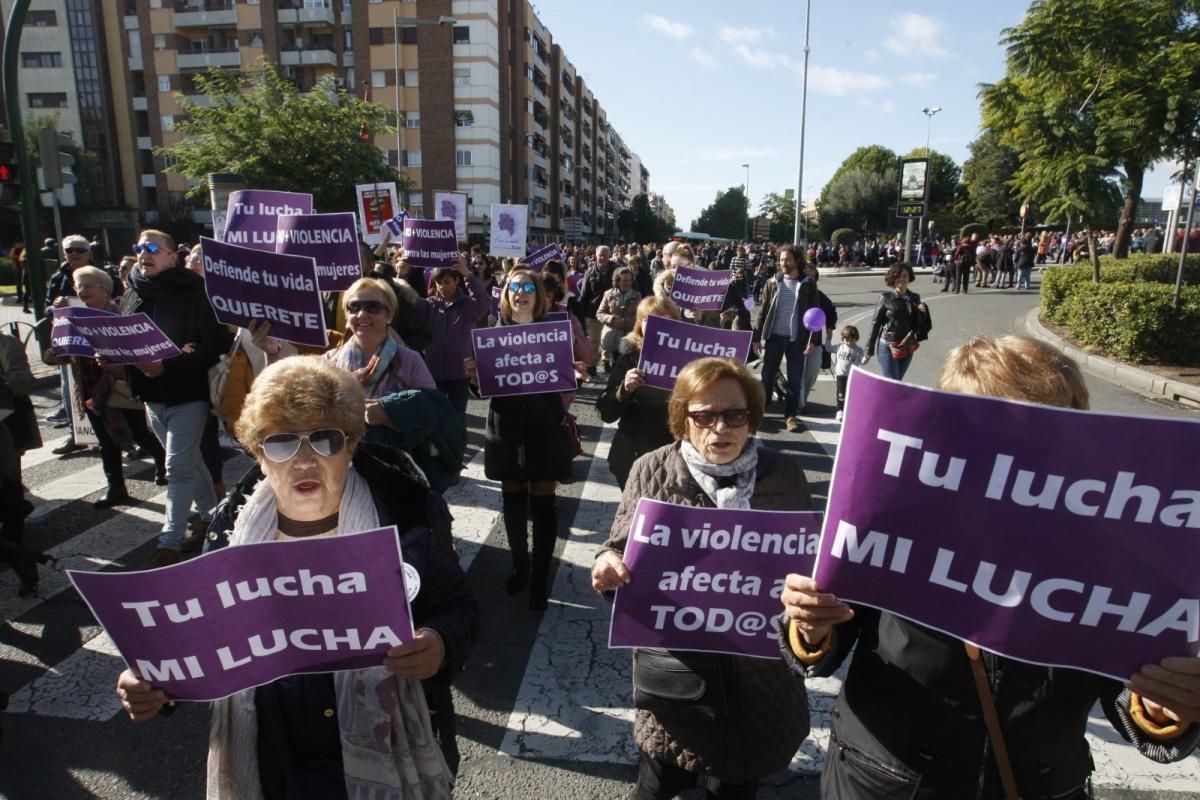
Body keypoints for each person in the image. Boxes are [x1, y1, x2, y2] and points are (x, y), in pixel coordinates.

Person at [779, 336, 1200, 799]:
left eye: (1036, 430)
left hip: (1036, 783)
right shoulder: (891, 507)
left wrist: (1162, 706)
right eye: (983, 427)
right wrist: (810, 627)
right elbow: (831, 630)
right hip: (884, 780)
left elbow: (1128, 682)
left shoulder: (1118, 543)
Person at [115, 356, 479, 794]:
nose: (305, 460)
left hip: (387, 749)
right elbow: (197, 640)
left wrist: (439, 642)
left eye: (325, 438)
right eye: (282, 442)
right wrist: (153, 684)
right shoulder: (229, 531)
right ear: (258, 453)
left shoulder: (408, 514)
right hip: (273, 756)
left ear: (351, 444)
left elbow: (459, 606)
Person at [592, 357, 814, 800]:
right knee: (656, 786)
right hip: (677, 671)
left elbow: (808, 563)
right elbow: (618, 547)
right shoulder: (652, 469)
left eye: (735, 414)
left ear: (751, 416)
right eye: (705, 416)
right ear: (682, 419)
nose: (720, 428)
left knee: (734, 787)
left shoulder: (784, 475)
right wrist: (606, 564)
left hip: (759, 674)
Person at [120, 229, 233, 567]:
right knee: (191, 463)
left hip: (188, 394)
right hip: (151, 396)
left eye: (153, 247)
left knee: (177, 467)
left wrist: (170, 363)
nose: (144, 253)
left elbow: (216, 344)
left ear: (173, 255)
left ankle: (169, 541)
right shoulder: (132, 292)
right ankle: (216, 518)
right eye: (139, 247)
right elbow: (127, 340)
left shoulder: (195, 292)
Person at [464, 269, 573, 610]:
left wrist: (575, 373)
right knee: (512, 498)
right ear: (506, 295)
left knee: (543, 504)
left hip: (543, 429)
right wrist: (474, 377)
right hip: (507, 428)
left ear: (538, 296)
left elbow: (564, 381)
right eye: (514, 288)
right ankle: (519, 564)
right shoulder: (492, 334)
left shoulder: (553, 331)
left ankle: (540, 576)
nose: (521, 293)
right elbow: (483, 390)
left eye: (528, 287)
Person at [42, 266, 166, 508]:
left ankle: (161, 460)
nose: (82, 290)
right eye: (79, 286)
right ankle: (116, 487)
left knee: (140, 433)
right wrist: (55, 351)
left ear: (105, 290)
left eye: (88, 286)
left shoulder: (119, 314)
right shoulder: (71, 317)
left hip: (120, 385)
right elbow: (57, 352)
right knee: (106, 442)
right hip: (91, 390)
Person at [596, 296, 681, 489]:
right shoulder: (628, 358)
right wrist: (623, 390)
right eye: (649, 321)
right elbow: (607, 413)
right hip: (633, 456)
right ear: (640, 325)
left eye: (665, 322)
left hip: (677, 457)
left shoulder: (689, 361)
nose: (657, 328)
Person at [415, 256, 490, 425]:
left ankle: (457, 450)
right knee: (434, 418)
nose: (442, 287)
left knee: (456, 420)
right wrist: (402, 273)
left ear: (456, 281)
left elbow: (483, 301)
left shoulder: (468, 306)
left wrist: (467, 274)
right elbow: (403, 301)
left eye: (447, 282)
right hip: (433, 374)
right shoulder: (429, 305)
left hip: (459, 375)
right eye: (438, 282)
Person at [752, 243, 819, 433]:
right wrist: (757, 337)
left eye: (787, 259)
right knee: (766, 377)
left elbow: (815, 313)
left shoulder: (807, 284)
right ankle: (761, 413)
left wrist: (812, 341)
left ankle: (790, 416)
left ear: (797, 260)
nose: (783, 263)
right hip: (774, 337)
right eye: (781, 259)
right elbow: (762, 310)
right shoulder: (772, 282)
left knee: (795, 380)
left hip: (797, 340)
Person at [863, 262, 931, 382]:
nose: (902, 279)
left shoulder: (915, 298)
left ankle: (886, 400)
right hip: (888, 346)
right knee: (892, 383)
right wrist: (869, 350)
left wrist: (922, 313)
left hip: (907, 345)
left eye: (905, 275)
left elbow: (918, 324)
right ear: (893, 278)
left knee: (897, 382)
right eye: (898, 276)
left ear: (909, 277)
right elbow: (875, 324)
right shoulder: (885, 298)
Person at [595, 266, 642, 373]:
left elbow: (640, 316)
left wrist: (627, 321)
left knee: (627, 366)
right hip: (613, 337)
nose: (627, 283)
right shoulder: (608, 294)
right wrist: (612, 319)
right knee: (616, 365)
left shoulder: (637, 295)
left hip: (629, 338)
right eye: (624, 280)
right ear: (617, 281)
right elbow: (599, 313)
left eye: (629, 280)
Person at [825, 324, 864, 422]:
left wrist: (866, 358)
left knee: (850, 394)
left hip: (852, 376)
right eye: (847, 340)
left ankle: (848, 410)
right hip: (840, 376)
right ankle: (839, 410)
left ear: (856, 339)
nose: (849, 342)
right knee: (841, 394)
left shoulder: (858, 350)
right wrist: (828, 338)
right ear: (843, 339)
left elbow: (862, 361)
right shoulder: (839, 347)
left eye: (852, 340)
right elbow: (828, 348)